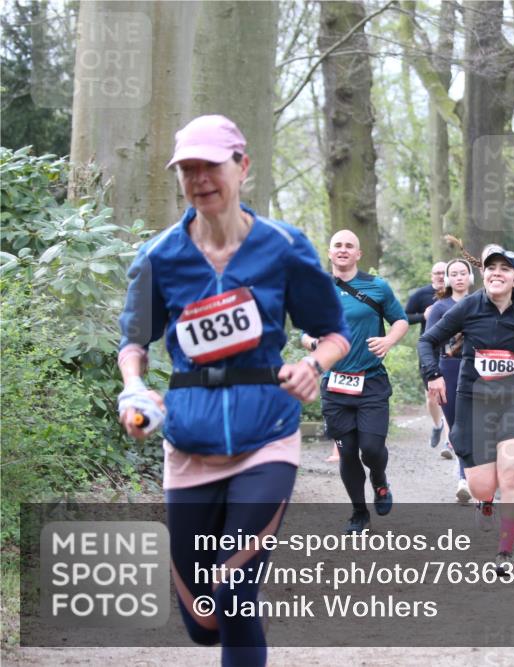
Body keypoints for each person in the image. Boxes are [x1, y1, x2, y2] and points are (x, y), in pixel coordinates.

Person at [117, 114, 350, 667]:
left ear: (241, 168)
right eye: (188, 169)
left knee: (232, 590)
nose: (200, 178)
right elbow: (134, 343)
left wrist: (313, 364)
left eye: (211, 165)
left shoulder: (285, 248)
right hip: (189, 442)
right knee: (202, 620)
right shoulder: (159, 258)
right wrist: (134, 389)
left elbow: (335, 334)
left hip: (266, 436)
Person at [418, 245, 514, 574]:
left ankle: (505, 551)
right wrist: (432, 375)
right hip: (474, 398)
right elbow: (427, 341)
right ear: (484, 275)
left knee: (513, 472)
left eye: (505, 269)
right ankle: (485, 502)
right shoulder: (469, 307)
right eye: (491, 268)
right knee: (482, 486)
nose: (497, 273)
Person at [302, 230, 409, 534]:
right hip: (335, 385)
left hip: (371, 382)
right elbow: (304, 334)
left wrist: (389, 340)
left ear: (359, 254)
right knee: (347, 451)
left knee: (372, 449)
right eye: (338, 245)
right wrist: (314, 344)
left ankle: (379, 479)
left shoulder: (377, 287)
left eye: (350, 245)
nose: (343, 250)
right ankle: (359, 512)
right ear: (329, 252)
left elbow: (400, 320)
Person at [425, 258, 475, 502]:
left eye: (462, 273)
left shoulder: (482, 302)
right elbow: (428, 343)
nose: (458, 277)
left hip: (479, 370)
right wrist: (432, 375)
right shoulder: (439, 308)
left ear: (470, 277)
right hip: (450, 369)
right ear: (447, 279)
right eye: (453, 273)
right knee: (457, 426)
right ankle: (465, 476)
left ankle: (470, 476)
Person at [405, 262, 449, 449]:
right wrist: (422, 316)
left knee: (450, 395)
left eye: (443, 273)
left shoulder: (455, 294)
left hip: (451, 350)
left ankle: (449, 442)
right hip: (428, 350)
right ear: (431, 276)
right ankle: (437, 425)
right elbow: (403, 317)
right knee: (432, 396)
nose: (440, 276)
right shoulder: (421, 295)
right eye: (436, 273)